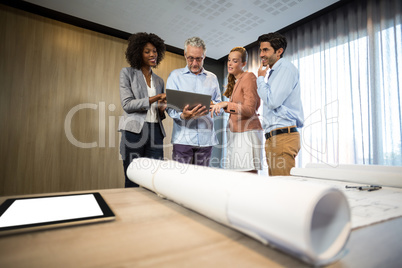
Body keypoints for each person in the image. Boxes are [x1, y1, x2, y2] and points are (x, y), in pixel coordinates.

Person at [118, 32, 167, 187]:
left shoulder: (159, 80)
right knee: (132, 178)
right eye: (147, 51)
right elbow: (127, 104)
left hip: (156, 132)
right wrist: (156, 97)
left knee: (154, 179)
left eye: (154, 51)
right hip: (134, 132)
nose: (152, 54)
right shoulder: (127, 73)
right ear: (138, 53)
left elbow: (159, 112)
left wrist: (162, 108)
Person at [166, 37, 221, 166]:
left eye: (199, 59)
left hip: (206, 139)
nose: (195, 63)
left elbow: (219, 104)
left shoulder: (212, 78)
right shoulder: (175, 76)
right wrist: (181, 115)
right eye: (191, 58)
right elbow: (170, 107)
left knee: (200, 182)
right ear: (185, 55)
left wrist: (216, 107)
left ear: (204, 56)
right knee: (180, 180)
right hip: (183, 138)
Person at [256, 32, 304, 176]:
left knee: (284, 190)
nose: (261, 54)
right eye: (260, 50)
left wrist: (260, 79)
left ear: (279, 51)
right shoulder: (275, 72)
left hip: (282, 137)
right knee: (277, 188)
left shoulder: (285, 68)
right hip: (275, 137)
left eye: (265, 50)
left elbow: (272, 101)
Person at [210, 47, 263, 173]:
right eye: (229, 60)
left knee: (247, 176)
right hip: (235, 133)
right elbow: (235, 108)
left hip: (246, 133)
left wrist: (226, 104)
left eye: (234, 61)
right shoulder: (237, 81)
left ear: (243, 63)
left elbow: (250, 109)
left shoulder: (249, 77)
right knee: (237, 176)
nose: (229, 63)